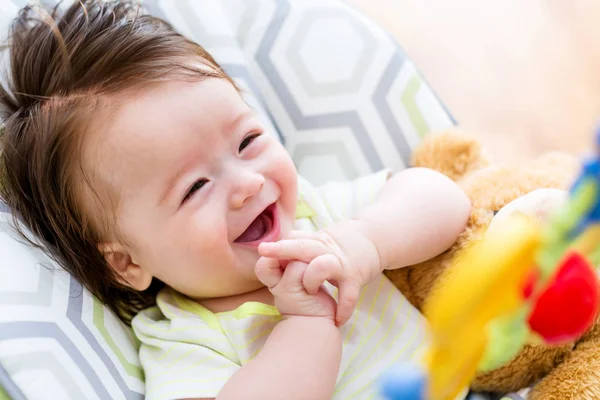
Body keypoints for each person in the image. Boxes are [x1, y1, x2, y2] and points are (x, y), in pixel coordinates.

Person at [0, 1, 471, 399]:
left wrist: (365, 243)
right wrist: (306, 325)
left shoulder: (318, 220)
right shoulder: (187, 339)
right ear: (126, 263)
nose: (246, 183)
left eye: (247, 141)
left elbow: (442, 197)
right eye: (195, 188)